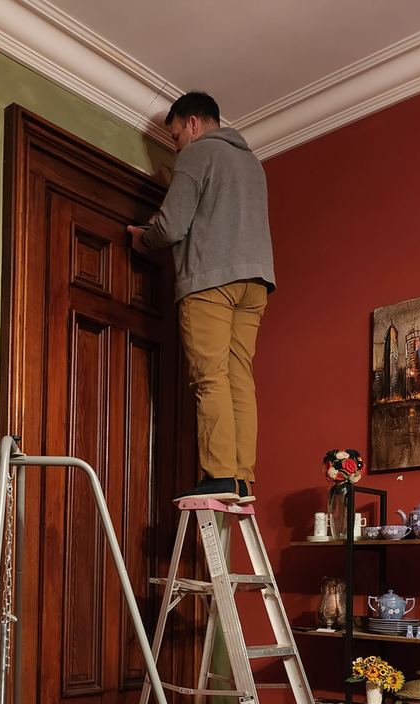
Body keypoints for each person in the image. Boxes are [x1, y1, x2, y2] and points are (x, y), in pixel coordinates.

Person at [128, 91, 275, 505]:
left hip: (211, 281)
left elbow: (172, 225)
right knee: (239, 378)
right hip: (255, 282)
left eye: (174, 137)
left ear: (193, 123)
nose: (176, 145)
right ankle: (242, 478)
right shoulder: (252, 164)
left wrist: (145, 238)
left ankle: (219, 475)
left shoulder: (198, 153)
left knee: (209, 377)